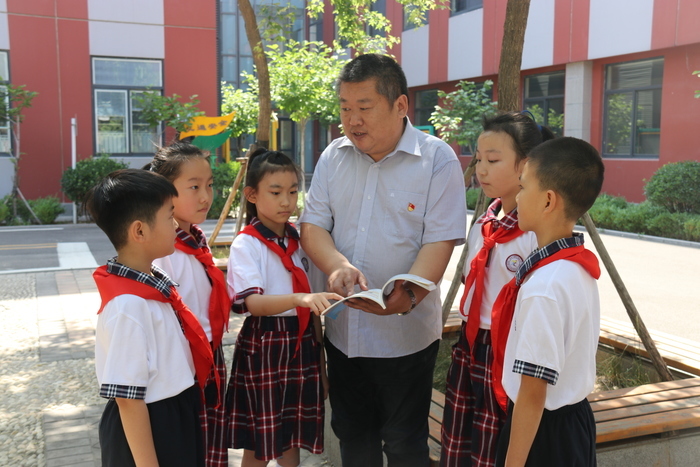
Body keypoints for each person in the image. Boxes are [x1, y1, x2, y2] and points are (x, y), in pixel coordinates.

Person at [300, 53, 467, 466]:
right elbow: (313, 228)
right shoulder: (333, 157)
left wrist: (407, 294)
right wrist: (337, 265)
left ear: (400, 105)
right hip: (344, 331)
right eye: (344, 109)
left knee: (405, 442)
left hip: (405, 338)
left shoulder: (437, 159)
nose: (352, 120)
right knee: (354, 436)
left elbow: (440, 242)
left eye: (364, 108)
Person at [441, 112, 555, 467]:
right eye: (478, 159)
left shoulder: (534, 233)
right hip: (471, 343)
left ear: (525, 165)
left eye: (493, 160)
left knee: (495, 441)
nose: (481, 169)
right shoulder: (485, 222)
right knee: (461, 437)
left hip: (506, 348)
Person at [225, 149, 341, 467]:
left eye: (292, 192)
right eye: (275, 192)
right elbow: (253, 304)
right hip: (266, 344)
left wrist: (320, 364)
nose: (286, 202)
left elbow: (312, 312)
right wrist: (297, 299)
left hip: (302, 342)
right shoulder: (246, 244)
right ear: (251, 194)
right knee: (261, 442)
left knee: (294, 435)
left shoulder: (299, 240)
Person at [87, 169, 209, 466]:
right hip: (151, 425)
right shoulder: (128, 306)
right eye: (169, 217)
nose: (176, 225)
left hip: (173, 411)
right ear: (139, 231)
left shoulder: (151, 283)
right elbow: (128, 400)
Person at [494, 137, 604, 466]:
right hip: (572, 421)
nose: (517, 195)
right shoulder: (575, 266)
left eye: (523, 186)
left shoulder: (545, 287)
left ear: (547, 201)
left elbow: (532, 392)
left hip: (543, 432)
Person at [146, 141, 231, 467]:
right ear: (165, 192)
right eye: (193, 187)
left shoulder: (195, 238)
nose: (205, 196)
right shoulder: (162, 250)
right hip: (184, 361)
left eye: (209, 185)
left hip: (210, 354)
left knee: (212, 442)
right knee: (189, 445)